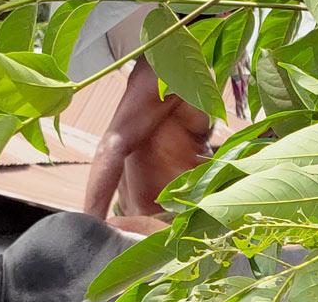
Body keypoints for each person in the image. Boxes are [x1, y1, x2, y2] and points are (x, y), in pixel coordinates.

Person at [82, 49, 217, 222]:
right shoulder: (171, 61)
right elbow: (112, 144)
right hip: (162, 226)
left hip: (176, 222)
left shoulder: (189, 63)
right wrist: (87, 232)